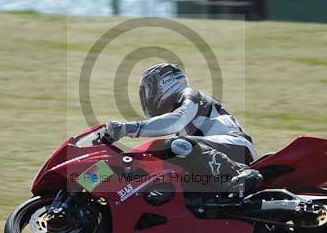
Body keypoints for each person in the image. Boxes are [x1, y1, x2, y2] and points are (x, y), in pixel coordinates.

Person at [103, 63, 263, 198]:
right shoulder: (184, 135)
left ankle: (241, 173)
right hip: (212, 153)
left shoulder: (190, 95)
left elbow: (176, 121)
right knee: (161, 160)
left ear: (164, 83)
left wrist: (129, 128)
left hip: (237, 148)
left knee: (176, 145)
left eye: (148, 90)